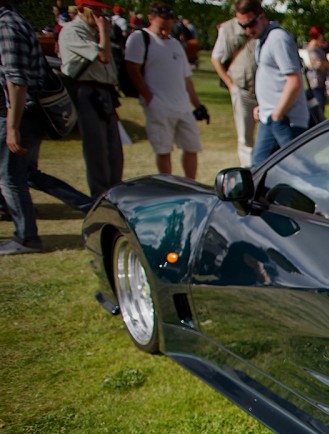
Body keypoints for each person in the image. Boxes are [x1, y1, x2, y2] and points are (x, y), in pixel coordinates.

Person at [124, 3, 205, 180]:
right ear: (151, 19)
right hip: (158, 104)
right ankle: (168, 185)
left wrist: (198, 105)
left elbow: (186, 78)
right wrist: (150, 98)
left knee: (192, 147)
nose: (164, 32)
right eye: (161, 27)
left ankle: (190, 184)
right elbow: (132, 70)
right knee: (163, 150)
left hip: (182, 105)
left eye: (168, 28)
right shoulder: (140, 38)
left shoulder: (175, 44)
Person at [57, 0, 123, 196]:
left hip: (105, 91)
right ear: (80, 9)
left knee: (114, 150)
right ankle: (100, 195)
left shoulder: (96, 31)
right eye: (94, 10)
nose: (99, 15)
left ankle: (115, 193)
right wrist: (104, 31)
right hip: (86, 91)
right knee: (97, 148)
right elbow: (103, 57)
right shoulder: (72, 31)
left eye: (101, 10)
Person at [0, 0, 51, 253]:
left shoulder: (6, 26)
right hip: (21, 114)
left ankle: (27, 238)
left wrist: (12, 126)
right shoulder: (15, 21)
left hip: (16, 115)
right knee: (21, 176)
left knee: (11, 179)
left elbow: (17, 80)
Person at [234, 0, 305, 167]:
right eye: (243, 26)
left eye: (251, 24)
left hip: (286, 119)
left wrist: (277, 114)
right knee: (264, 168)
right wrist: (264, 106)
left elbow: (294, 81)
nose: (248, 30)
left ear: (262, 16)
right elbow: (274, 78)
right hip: (271, 117)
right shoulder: (264, 39)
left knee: (296, 167)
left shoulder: (278, 38)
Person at [211, 10, 257, 168]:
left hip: (263, 89)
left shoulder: (261, 24)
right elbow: (216, 58)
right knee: (245, 137)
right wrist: (230, 85)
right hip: (241, 87)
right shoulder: (227, 28)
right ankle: (249, 170)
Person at [305, 26, 329, 114]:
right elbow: (318, 64)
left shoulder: (317, 48)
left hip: (320, 79)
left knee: (321, 104)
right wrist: (325, 63)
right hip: (316, 80)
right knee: (319, 105)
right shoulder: (312, 49)